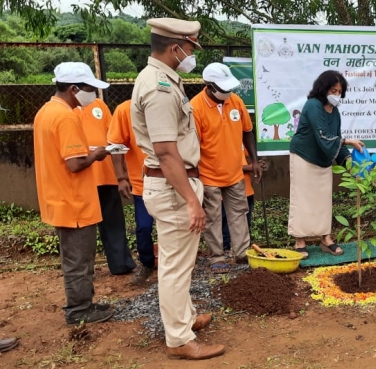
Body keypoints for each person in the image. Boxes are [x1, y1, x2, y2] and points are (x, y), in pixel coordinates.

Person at [131, 18, 224, 360]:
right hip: (173, 187)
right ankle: (179, 340)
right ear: (175, 48)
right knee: (174, 267)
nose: (192, 54)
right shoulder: (159, 87)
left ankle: (183, 320)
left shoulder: (163, 80)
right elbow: (168, 154)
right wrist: (191, 201)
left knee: (180, 262)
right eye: (191, 47)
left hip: (173, 184)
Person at [34, 62, 114, 325]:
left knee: (78, 257)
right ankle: (79, 311)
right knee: (78, 260)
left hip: (59, 197)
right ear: (73, 88)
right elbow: (74, 164)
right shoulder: (66, 117)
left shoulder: (46, 112)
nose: (92, 95)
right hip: (73, 201)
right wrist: (97, 154)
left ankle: (85, 303)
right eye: (89, 89)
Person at [288, 70, 365, 259]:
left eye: (340, 91)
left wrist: (350, 163)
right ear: (324, 89)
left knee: (323, 201)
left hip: (323, 160)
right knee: (302, 199)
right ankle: (300, 241)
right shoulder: (313, 105)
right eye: (334, 90)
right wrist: (348, 141)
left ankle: (325, 239)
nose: (337, 95)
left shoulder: (335, 111)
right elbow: (324, 136)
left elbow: (335, 138)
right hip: (304, 157)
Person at [192, 62, 260, 273]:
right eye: (223, 89)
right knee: (212, 217)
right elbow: (191, 145)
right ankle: (217, 256)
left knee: (239, 213)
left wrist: (254, 160)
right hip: (208, 174)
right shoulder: (195, 108)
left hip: (235, 172)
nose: (228, 92)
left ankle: (241, 254)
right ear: (209, 85)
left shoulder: (235, 101)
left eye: (229, 88)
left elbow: (247, 131)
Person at [75, 97, 137, 275]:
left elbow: (114, 138)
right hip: (82, 178)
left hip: (106, 175)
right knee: (83, 228)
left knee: (114, 222)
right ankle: (82, 271)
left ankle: (121, 264)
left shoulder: (99, 105)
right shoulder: (64, 111)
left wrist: (121, 176)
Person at [107, 100, 158, 286]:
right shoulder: (124, 110)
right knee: (144, 227)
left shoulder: (166, 104)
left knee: (172, 225)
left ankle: (174, 265)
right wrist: (121, 178)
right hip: (142, 182)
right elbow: (116, 145)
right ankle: (146, 263)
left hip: (170, 181)